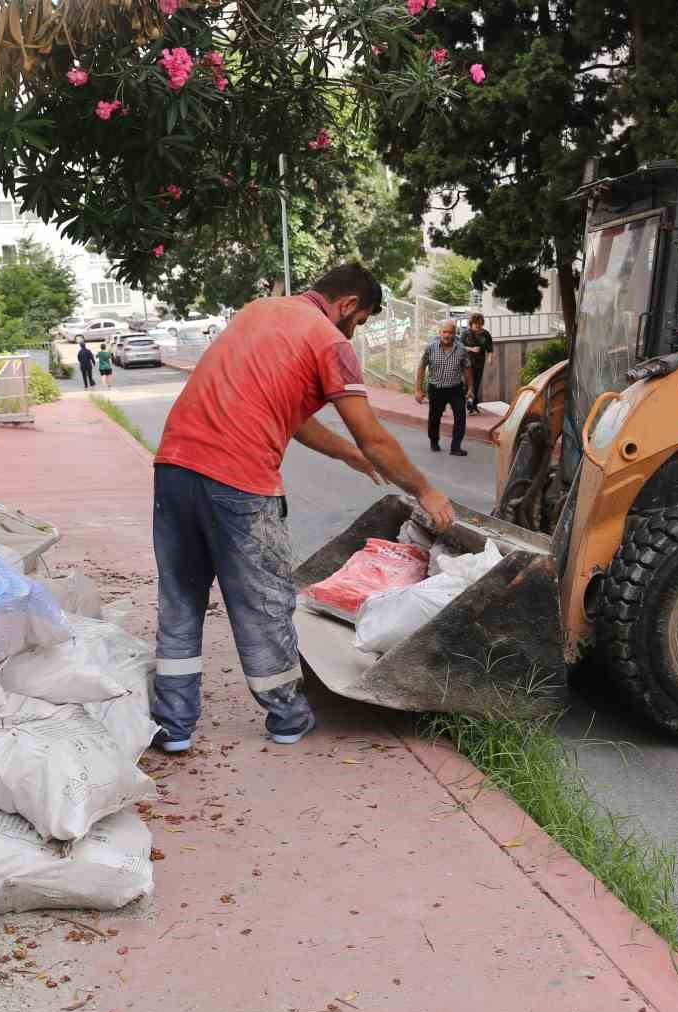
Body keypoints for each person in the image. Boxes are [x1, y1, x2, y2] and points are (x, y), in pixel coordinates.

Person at [149, 263, 456, 752]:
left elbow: (288, 416)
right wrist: (426, 491)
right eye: (361, 321)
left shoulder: (258, 313)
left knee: (180, 600)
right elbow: (374, 436)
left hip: (174, 468)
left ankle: (173, 726)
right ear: (349, 305)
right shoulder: (328, 340)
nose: (355, 332)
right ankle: (287, 717)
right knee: (264, 602)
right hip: (240, 481)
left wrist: (345, 455)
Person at [414, 320, 472, 456]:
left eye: (450, 332)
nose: (447, 335)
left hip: (455, 389)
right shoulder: (430, 348)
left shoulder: (461, 349)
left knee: (460, 416)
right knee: (434, 417)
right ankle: (434, 441)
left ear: (454, 334)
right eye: (444, 332)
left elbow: (467, 368)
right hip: (436, 389)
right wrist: (418, 389)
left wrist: (471, 388)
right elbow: (422, 367)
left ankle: (456, 446)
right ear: (439, 333)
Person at [460, 313, 494, 414]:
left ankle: (473, 404)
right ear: (471, 323)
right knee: (468, 383)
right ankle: (469, 404)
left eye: (480, 323)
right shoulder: (466, 333)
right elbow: (460, 346)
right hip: (467, 361)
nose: (478, 325)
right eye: (476, 323)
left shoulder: (485, 334)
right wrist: (471, 349)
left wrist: (490, 358)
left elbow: (490, 348)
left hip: (480, 362)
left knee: (477, 383)